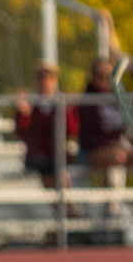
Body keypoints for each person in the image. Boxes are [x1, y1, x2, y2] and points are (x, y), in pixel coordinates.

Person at [15, 60, 78, 193]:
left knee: (62, 172)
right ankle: (66, 210)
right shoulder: (31, 104)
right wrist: (24, 114)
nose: (46, 82)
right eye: (41, 78)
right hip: (38, 155)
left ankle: (67, 209)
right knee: (49, 170)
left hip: (58, 153)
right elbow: (22, 133)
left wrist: (66, 112)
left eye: (50, 77)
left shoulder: (61, 103)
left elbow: (72, 130)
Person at [79, 49, 128, 211]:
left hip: (120, 150)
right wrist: (111, 143)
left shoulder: (120, 99)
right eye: (100, 76)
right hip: (92, 152)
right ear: (93, 79)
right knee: (117, 156)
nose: (106, 80)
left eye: (110, 76)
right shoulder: (87, 103)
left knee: (119, 156)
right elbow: (86, 137)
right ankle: (111, 211)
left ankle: (119, 210)